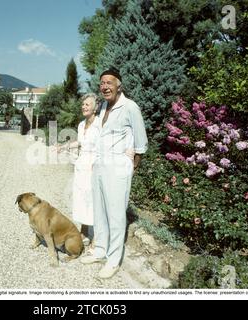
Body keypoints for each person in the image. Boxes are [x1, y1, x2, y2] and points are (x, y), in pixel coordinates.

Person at [80, 67, 148, 279]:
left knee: (116, 215)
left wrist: (132, 166)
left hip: (118, 169)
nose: (105, 86)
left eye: (109, 82)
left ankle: (113, 260)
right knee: (100, 212)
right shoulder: (102, 109)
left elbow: (141, 143)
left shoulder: (130, 107)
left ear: (119, 85)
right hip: (100, 167)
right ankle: (100, 250)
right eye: (102, 83)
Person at [58, 93, 100, 250]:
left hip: (95, 166)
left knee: (93, 200)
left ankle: (96, 237)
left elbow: (103, 147)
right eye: (83, 104)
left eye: (87, 104)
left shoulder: (100, 124)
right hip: (82, 165)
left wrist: (98, 164)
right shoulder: (82, 125)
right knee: (82, 198)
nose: (84, 106)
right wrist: (64, 146)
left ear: (95, 107)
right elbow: (80, 142)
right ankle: (83, 231)